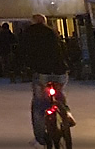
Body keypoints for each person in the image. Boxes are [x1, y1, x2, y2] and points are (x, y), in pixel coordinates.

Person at [21, 14, 74, 145]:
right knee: (59, 93)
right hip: (60, 72)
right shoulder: (53, 32)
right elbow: (63, 50)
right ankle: (66, 114)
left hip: (41, 72)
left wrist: (24, 67)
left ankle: (40, 138)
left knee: (39, 105)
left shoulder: (29, 33)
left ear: (32, 22)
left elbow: (23, 52)